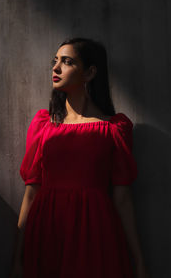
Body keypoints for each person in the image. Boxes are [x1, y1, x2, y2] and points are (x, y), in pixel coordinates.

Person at [9, 37, 150, 278]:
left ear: (90, 72)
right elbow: (31, 191)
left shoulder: (113, 128)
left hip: (95, 231)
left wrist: (139, 262)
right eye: (55, 61)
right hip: (47, 230)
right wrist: (18, 259)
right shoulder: (44, 124)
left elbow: (123, 197)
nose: (55, 68)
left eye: (67, 62)